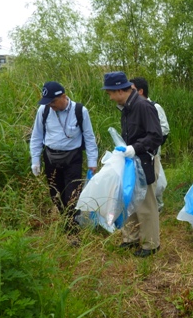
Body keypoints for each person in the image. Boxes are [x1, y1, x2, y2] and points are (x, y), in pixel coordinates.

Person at [102, 71, 163, 257]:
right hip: (130, 162)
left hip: (143, 161)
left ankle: (151, 244)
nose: (110, 97)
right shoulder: (126, 107)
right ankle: (131, 238)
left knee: (146, 204)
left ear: (119, 90)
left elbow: (156, 136)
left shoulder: (144, 106)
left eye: (110, 93)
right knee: (129, 200)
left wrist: (135, 148)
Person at [30, 81, 98, 232]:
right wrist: (35, 160)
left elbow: (89, 137)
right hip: (51, 158)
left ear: (64, 97)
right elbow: (36, 136)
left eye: (53, 102)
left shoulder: (80, 111)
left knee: (72, 195)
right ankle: (69, 219)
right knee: (55, 194)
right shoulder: (44, 110)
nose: (50, 106)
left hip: (73, 158)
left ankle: (72, 230)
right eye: (47, 102)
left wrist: (92, 162)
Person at [130, 77, 170, 212]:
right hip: (137, 151)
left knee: (157, 182)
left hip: (152, 151)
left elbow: (164, 129)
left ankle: (157, 205)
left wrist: (153, 144)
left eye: (132, 89)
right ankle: (143, 205)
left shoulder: (154, 106)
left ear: (140, 91)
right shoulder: (131, 108)